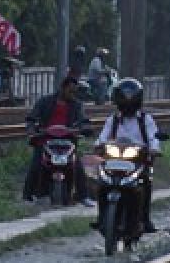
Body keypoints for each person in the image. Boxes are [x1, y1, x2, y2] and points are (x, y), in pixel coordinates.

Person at [95, 78, 162, 232]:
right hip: (114, 160)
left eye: (131, 96)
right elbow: (103, 137)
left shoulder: (146, 119)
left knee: (146, 183)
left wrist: (154, 149)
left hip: (138, 160)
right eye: (124, 96)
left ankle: (145, 219)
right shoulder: (113, 120)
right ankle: (101, 217)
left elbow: (153, 137)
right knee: (102, 184)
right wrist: (98, 145)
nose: (127, 100)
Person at [23, 75, 92, 204]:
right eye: (70, 91)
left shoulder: (77, 105)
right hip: (45, 141)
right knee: (36, 165)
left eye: (74, 92)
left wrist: (84, 128)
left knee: (77, 166)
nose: (72, 94)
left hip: (68, 142)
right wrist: (32, 130)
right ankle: (27, 196)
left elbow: (84, 121)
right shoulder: (44, 101)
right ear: (62, 88)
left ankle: (83, 196)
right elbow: (31, 118)